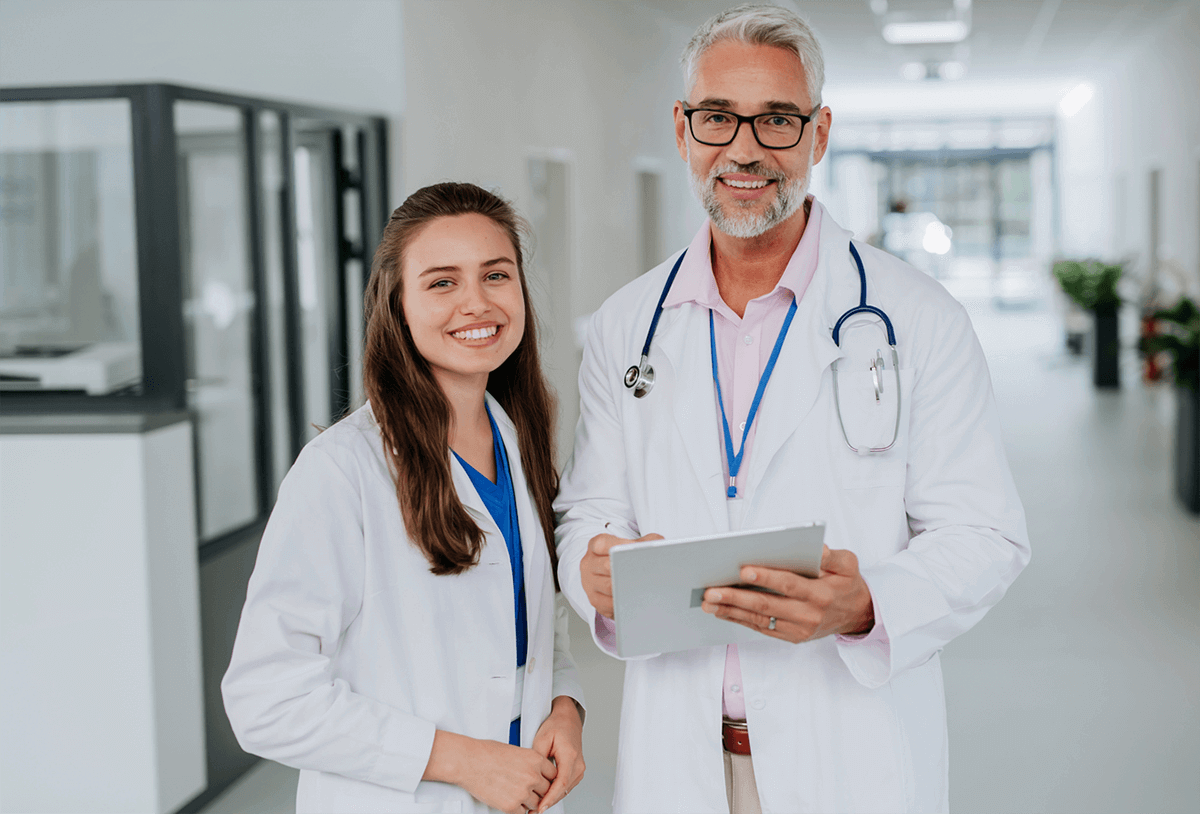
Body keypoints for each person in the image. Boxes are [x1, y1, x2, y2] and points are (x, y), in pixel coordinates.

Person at [554, 5, 1030, 813]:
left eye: (776, 119)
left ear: (819, 132)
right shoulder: (625, 326)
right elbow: (589, 507)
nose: (744, 149)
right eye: (717, 118)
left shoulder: (917, 319)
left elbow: (986, 533)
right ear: (682, 128)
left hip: (848, 750)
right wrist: (589, 566)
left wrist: (870, 602)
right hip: (683, 752)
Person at [223, 182, 586, 814]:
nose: (476, 302)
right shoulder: (342, 471)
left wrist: (565, 706)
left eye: (496, 275)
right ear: (398, 304)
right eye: (442, 282)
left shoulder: (517, 439)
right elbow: (265, 699)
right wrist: (462, 760)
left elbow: (528, 616)